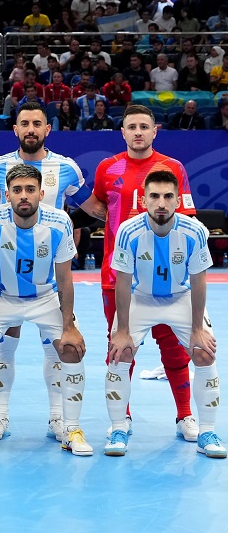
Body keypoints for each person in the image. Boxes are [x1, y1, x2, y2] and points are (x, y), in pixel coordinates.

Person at [0, 102, 105, 441]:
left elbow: (88, 205)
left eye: (37, 123)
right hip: (5, 279)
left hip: (47, 279)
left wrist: (126, 220)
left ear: (48, 129)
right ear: (14, 129)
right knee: (2, 349)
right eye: (24, 123)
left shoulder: (67, 168)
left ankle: (58, 419)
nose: (30, 128)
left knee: (56, 350)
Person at [0, 164, 92, 456]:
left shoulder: (59, 222)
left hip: (45, 297)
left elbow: (65, 279)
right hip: (3, 295)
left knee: (71, 349)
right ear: (6, 195)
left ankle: (68, 426)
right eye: (17, 190)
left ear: (41, 193)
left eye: (30, 190)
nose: (24, 196)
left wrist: (69, 325)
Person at [92, 104, 198, 441]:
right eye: (131, 126)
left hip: (168, 279)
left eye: (144, 126)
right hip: (118, 277)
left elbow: (188, 218)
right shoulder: (107, 168)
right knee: (121, 348)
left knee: (176, 351)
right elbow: (97, 205)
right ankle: (121, 421)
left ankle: (185, 417)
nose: (138, 132)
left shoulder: (173, 167)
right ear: (122, 132)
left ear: (155, 131)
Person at [105, 171, 226, 459]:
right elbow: (122, 281)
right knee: (119, 353)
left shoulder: (195, 231)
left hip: (180, 297)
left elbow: (198, 281)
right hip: (141, 298)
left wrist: (198, 328)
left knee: (204, 352)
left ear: (177, 200)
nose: (161, 203)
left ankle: (207, 431)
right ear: (143, 199)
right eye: (155, 196)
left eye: (168, 196)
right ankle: (118, 427)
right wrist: (122, 329)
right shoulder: (128, 230)